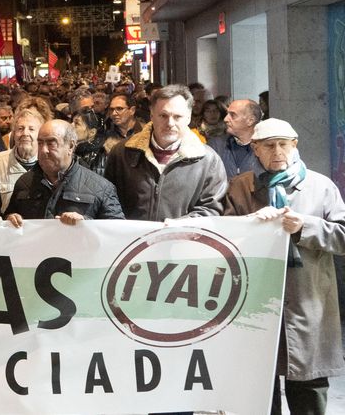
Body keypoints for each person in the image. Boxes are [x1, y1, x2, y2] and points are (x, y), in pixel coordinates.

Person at [222, 119, 345, 415]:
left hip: (307, 299)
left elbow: (342, 237)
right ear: (255, 149)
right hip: (255, 302)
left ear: (295, 145)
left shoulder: (319, 186)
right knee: (259, 390)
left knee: (308, 385)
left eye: (284, 144)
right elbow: (224, 238)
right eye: (268, 145)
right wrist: (250, 226)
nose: (278, 151)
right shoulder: (241, 187)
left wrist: (306, 226)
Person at [104, 84, 226, 222]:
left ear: (188, 117)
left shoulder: (208, 160)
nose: (170, 123)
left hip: (181, 241)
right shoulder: (122, 153)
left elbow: (211, 208)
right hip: (133, 241)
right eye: (163, 115)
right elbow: (107, 202)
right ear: (151, 115)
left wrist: (174, 229)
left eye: (177, 117)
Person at [0, 119, 123, 226]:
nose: (44, 150)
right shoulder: (24, 183)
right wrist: (11, 219)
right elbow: (9, 221)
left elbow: (117, 232)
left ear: (71, 146)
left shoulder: (101, 188)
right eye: (40, 143)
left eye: (51, 143)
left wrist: (86, 224)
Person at [0, 109, 43, 212]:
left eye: (31, 129)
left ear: (40, 135)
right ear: (13, 133)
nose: (25, 133)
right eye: (20, 129)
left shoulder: (49, 163)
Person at [209, 99, 265, 178]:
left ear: (250, 121)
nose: (225, 119)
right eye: (227, 114)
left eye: (232, 115)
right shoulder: (215, 145)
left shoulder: (266, 147)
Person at [72, 110, 108, 176]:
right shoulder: (73, 150)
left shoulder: (100, 154)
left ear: (92, 132)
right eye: (72, 122)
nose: (71, 125)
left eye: (77, 123)